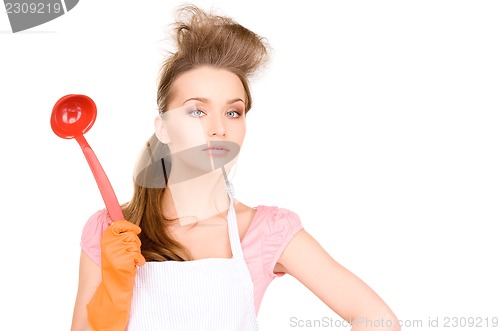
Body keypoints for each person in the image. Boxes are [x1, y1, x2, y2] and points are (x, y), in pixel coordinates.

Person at [71, 4, 400, 331]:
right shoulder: (111, 231)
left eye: (233, 112)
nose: (218, 128)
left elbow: (378, 320)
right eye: (197, 111)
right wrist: (114, 285)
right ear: (164, 128)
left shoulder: (265, 230)